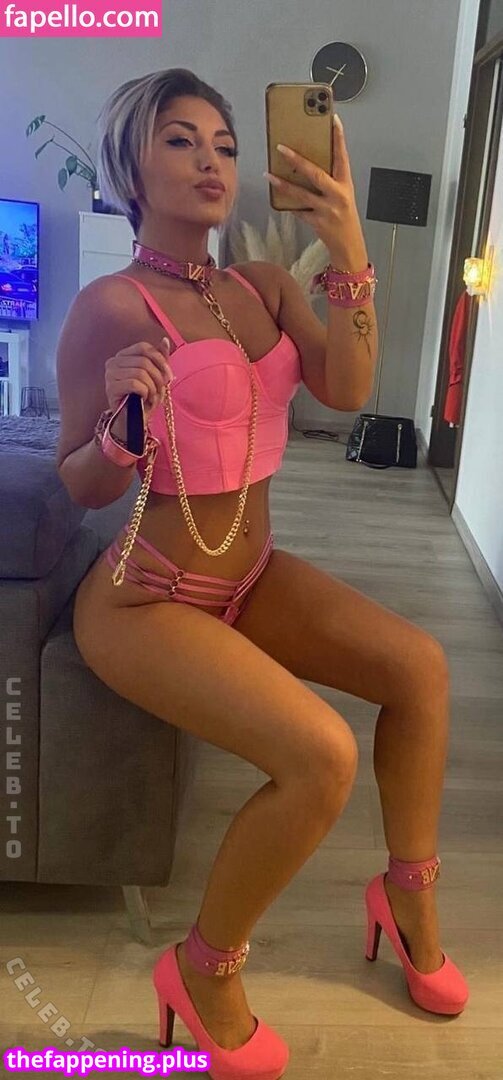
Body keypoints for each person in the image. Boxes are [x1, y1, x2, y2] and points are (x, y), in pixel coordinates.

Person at [55, 68, 468, 1079]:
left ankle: (406, 900)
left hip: (250, 574)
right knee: (320, 755)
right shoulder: (109, 306)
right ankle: (201, 972)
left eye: (225, 144)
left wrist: (349, 247)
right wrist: (121, 426)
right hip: (145, 595)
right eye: (180, 139)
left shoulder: (261, 287)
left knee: (418, 669)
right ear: (130, 166)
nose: (210, 161)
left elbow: (348, 388)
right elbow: (79, 485)